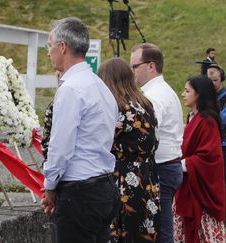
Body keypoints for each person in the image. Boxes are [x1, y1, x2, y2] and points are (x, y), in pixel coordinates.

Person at [41, 17, 120, 243]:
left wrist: (50, 186)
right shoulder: (100, 86)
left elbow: (61, 147)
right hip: (103, 186)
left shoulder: (71, 90)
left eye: (50, 46)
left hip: (80, 192)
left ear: (62, 47)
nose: (49, 53)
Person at [97, 58, 161, 242]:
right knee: (145, 230)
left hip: (123, 176)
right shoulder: (145, 103)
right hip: (148, 175)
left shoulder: (116, 107)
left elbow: (100, 142)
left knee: (122, 231)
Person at [130, 43, 183, 243]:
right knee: (158, 227)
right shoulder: (160, 90)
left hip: (162, 167)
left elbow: (147, 135)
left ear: (151, 66)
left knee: (160, 230)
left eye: (135, 66)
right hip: (168, 164)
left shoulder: (155, 95)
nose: (132, 72)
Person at [174, 75, 226, 242]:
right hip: (188, 185)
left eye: (188, 91)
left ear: (199, 95)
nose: (183, 94)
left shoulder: (207, 121)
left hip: (200, 191)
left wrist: (182, 163)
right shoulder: (194, 117)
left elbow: (210, 157)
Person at [207, 63, 226, 179]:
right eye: (210, 81)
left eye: (215, 80)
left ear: (221, 79)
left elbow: (222, 120)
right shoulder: (207, 97)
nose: (213, 84)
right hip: (211, 145)